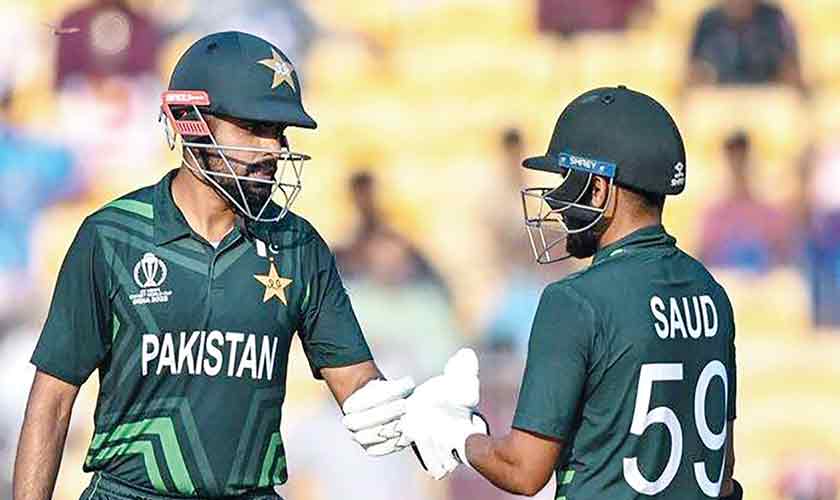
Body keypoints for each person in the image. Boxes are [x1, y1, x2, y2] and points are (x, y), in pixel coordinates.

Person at [13, 31, 418, 500]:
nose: (272, 149)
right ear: (190, 123)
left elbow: (356, 382)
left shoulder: (297, 244)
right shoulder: (112, 237)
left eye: (278, 132)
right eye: (253, 127)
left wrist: (415, 413)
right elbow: (53, 398)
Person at [383, 86, 744, 500]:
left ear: (600, 189)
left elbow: (523, 470)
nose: (556, 202)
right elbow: (723, 471)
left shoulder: (575, 301)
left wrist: (457, 436)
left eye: (567, 181)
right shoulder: (711, 293)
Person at [698, 130, 789, 272]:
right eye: (733, 161)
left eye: (743, 160)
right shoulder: (713, 215)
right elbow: (703, 258)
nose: (738, 168)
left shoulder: (770, 214)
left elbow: (783, 259)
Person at [687, 0, 803, 89]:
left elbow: (791, 68)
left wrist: (786, 75)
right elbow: (694, 70)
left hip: (767, 98)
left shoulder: (775, 19)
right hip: (719, 98)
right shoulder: (708, 22)